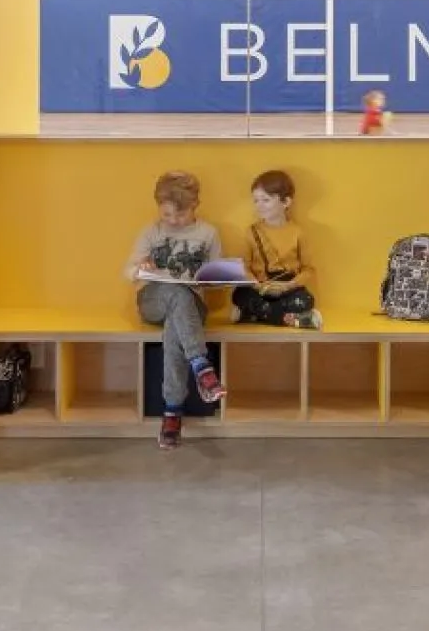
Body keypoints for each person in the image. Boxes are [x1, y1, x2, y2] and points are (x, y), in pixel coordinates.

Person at [127, 169, 226, 448]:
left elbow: (215, 278)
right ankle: (201, 368)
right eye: (166, 215)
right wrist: (141, 267)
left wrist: (215, 278)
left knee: (176, 322)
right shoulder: (151, 231)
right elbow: (128, 271)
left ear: (195, 206)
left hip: (190, 309)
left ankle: (172, 411)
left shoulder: (208, 233)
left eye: (179, 216)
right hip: (152, 301)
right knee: (174, 294)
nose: (172, 221)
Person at [232, 168, 322, 329]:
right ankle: (294, 320)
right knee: (240, 295)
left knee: (305, 300)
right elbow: (243, 266)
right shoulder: (251, 232)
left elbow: (309, 269)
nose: (259, 206)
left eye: (265, 200)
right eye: (256, 201)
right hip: (259, 288)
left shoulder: (298, 232)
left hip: (287, 288)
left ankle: (252, 315)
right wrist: (258, 285)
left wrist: (290, 285)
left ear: (286, 202)